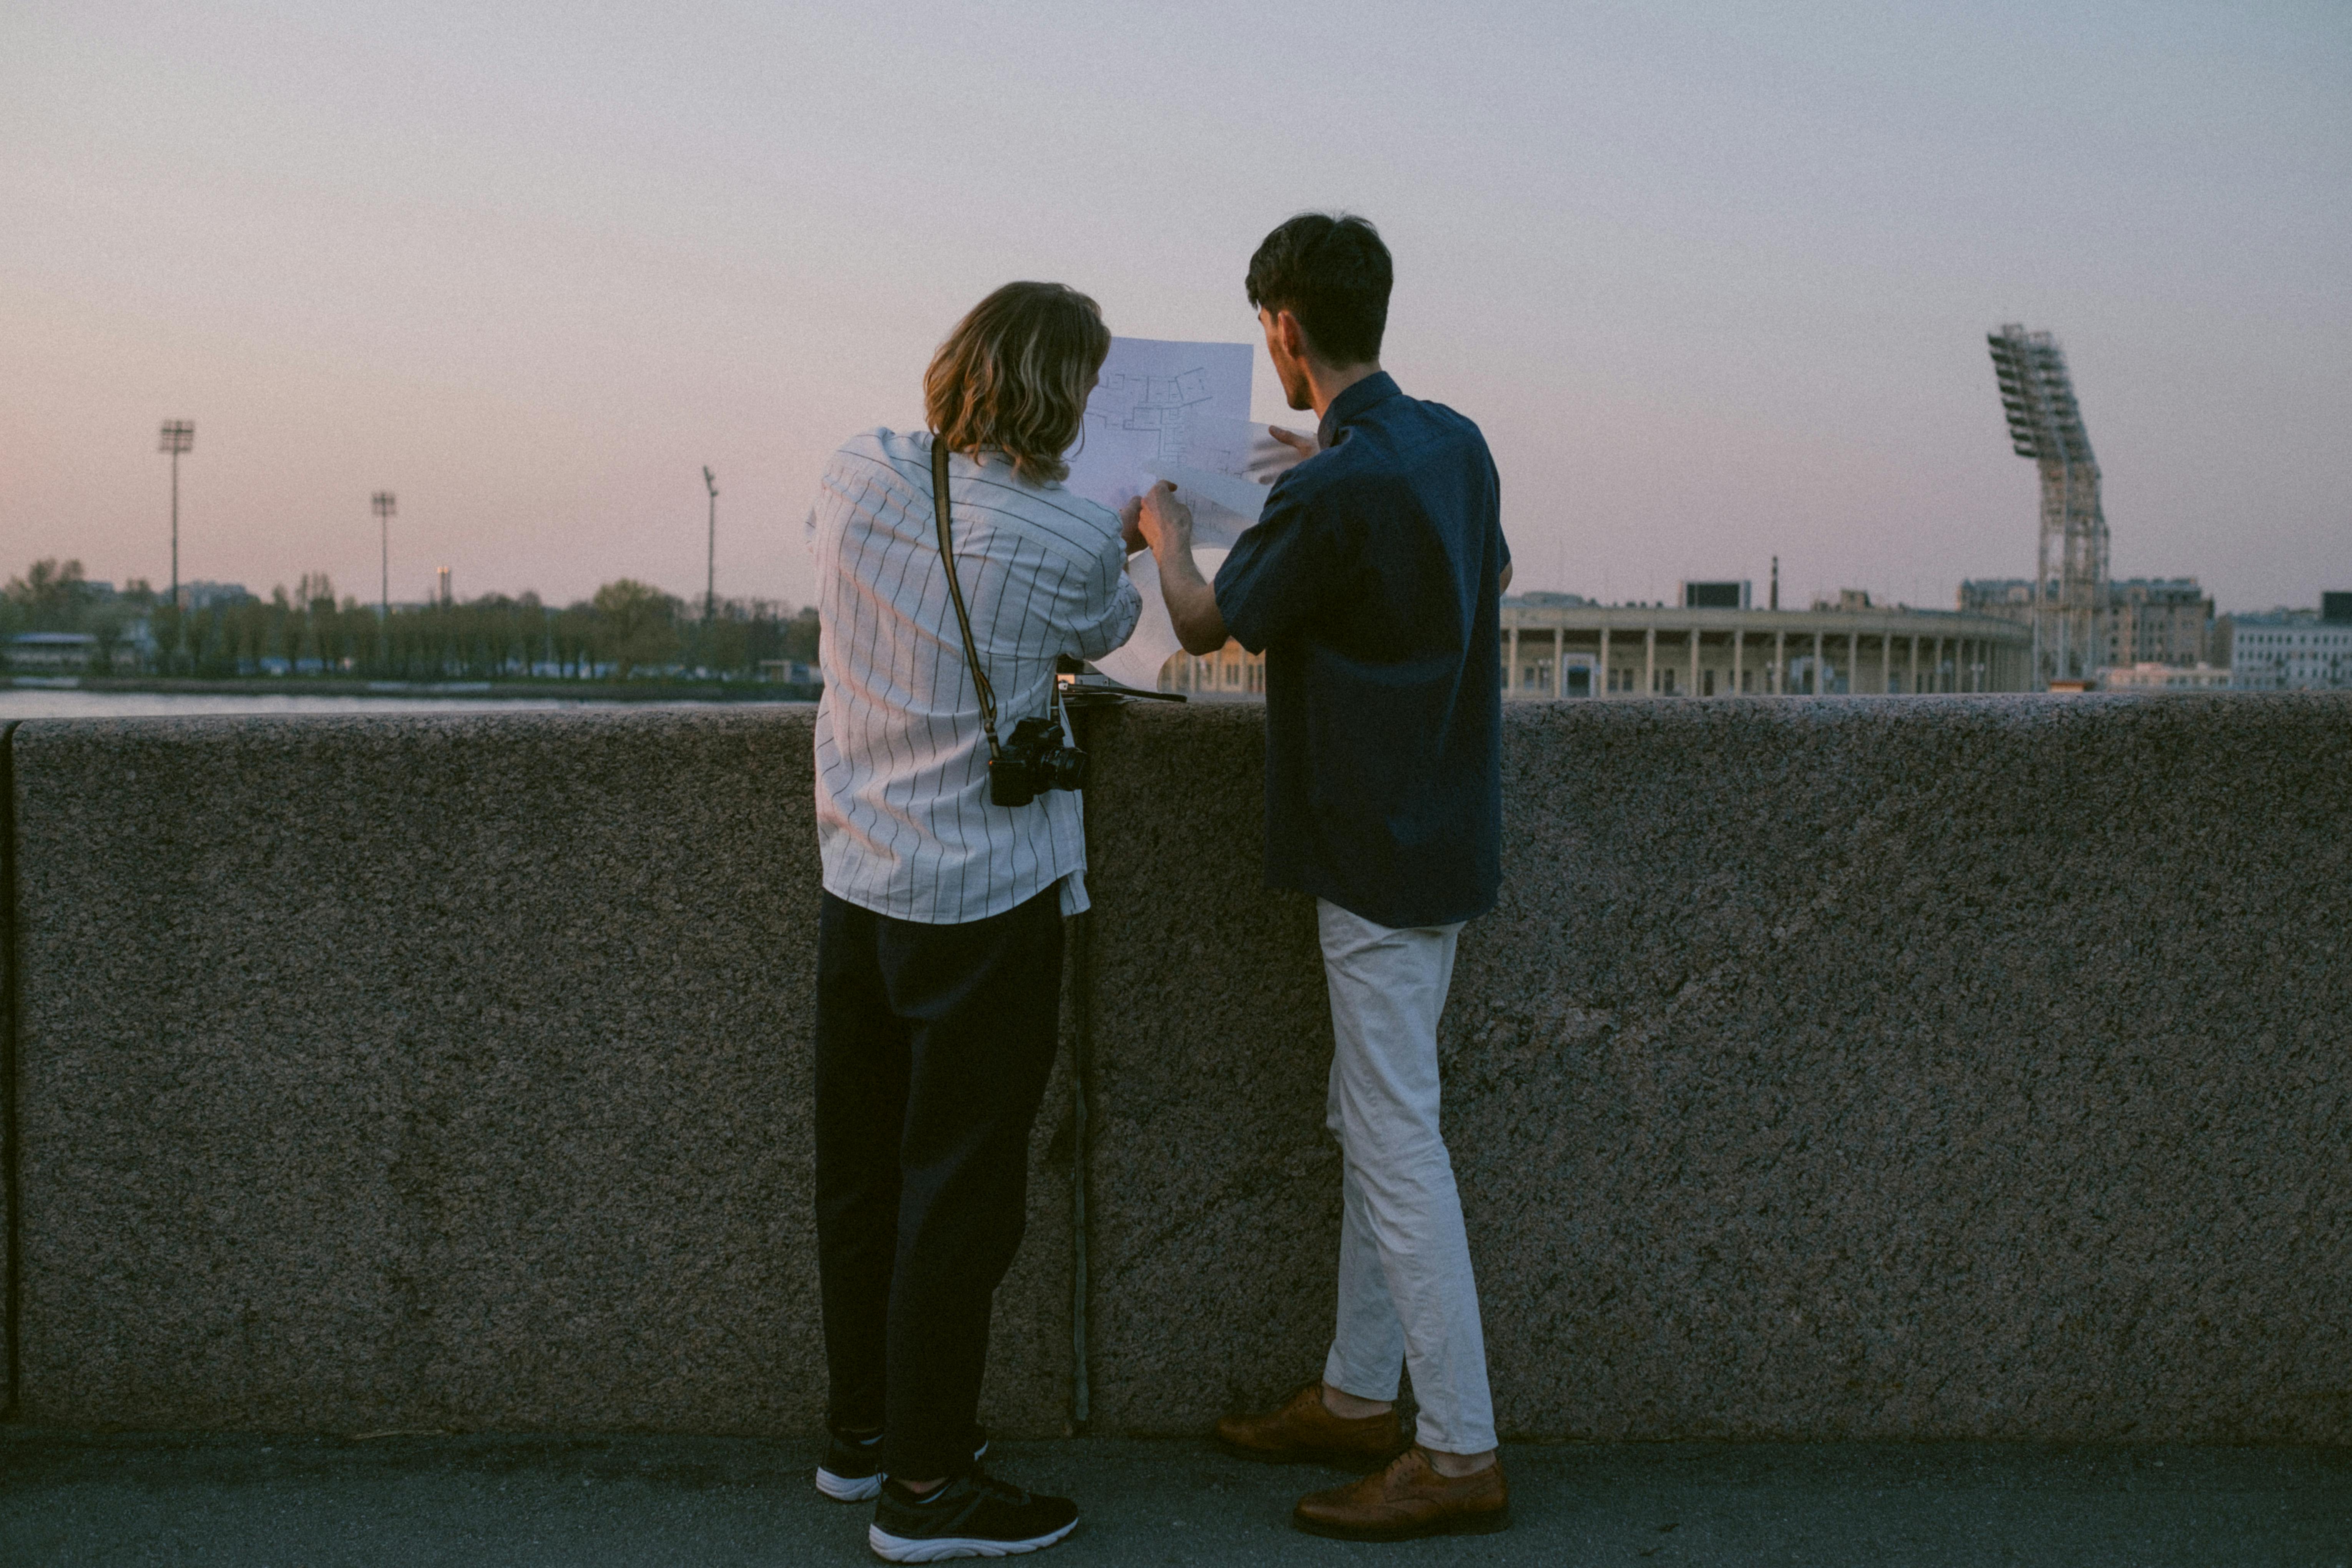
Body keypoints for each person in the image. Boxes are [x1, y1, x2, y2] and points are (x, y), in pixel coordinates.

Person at [1128, 213, 1513, 1542]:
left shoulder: (1336, 488)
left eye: (1264, 334)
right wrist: (1321, 469)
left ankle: (1459, 1449)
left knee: (1398, 1140)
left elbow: (1200, 623)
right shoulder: (1449, 447)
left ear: (1285, 327)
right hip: (1448, 835)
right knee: (1377, 1120)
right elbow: (1473, 568)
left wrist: (1162, 526)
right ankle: (1358, 1396)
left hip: (1369, 845)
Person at [804, 280, 1142, 1561]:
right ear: (1067, 400)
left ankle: (866, 1440)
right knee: (961, 1197)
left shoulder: (853, 472)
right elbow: (1107, 627)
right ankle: (931, 1495)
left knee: (863, 1174)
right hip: (985, 903)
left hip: (860, 879)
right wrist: (1125, 532)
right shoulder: (1065, 540)